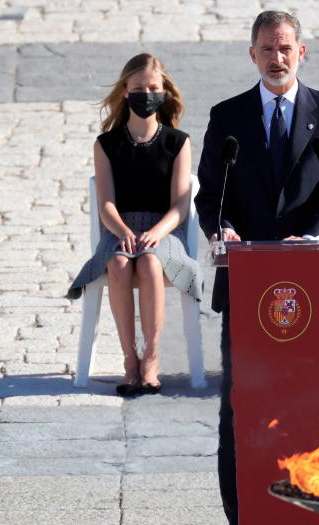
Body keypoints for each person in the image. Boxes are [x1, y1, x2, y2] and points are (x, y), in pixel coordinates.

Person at [195, 10, 319, 525]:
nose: (277, 58)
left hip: (306, 284)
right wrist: (227, 231)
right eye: (267, 49)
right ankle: (240, 522)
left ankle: (305, 516)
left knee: (303, 407)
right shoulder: (228, 118)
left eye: (285, 48)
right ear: (253, 55)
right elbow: (209, 196)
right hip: (247, 283)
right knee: (241, 406)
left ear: (301, 52)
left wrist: (303, 241)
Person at [67, 54, 203, 397]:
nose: (147, 94)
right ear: (126, 90)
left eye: (153, 88)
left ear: (164, 93)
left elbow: (180, 205)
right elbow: (106, 203)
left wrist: (155, 234)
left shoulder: (178, 142)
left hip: (164, 232)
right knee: (117, 262)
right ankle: (130, 360)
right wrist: (123, 232)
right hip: (119, 230)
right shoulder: (107, 144)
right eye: (139, 88)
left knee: (150, 261)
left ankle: (152, 357)